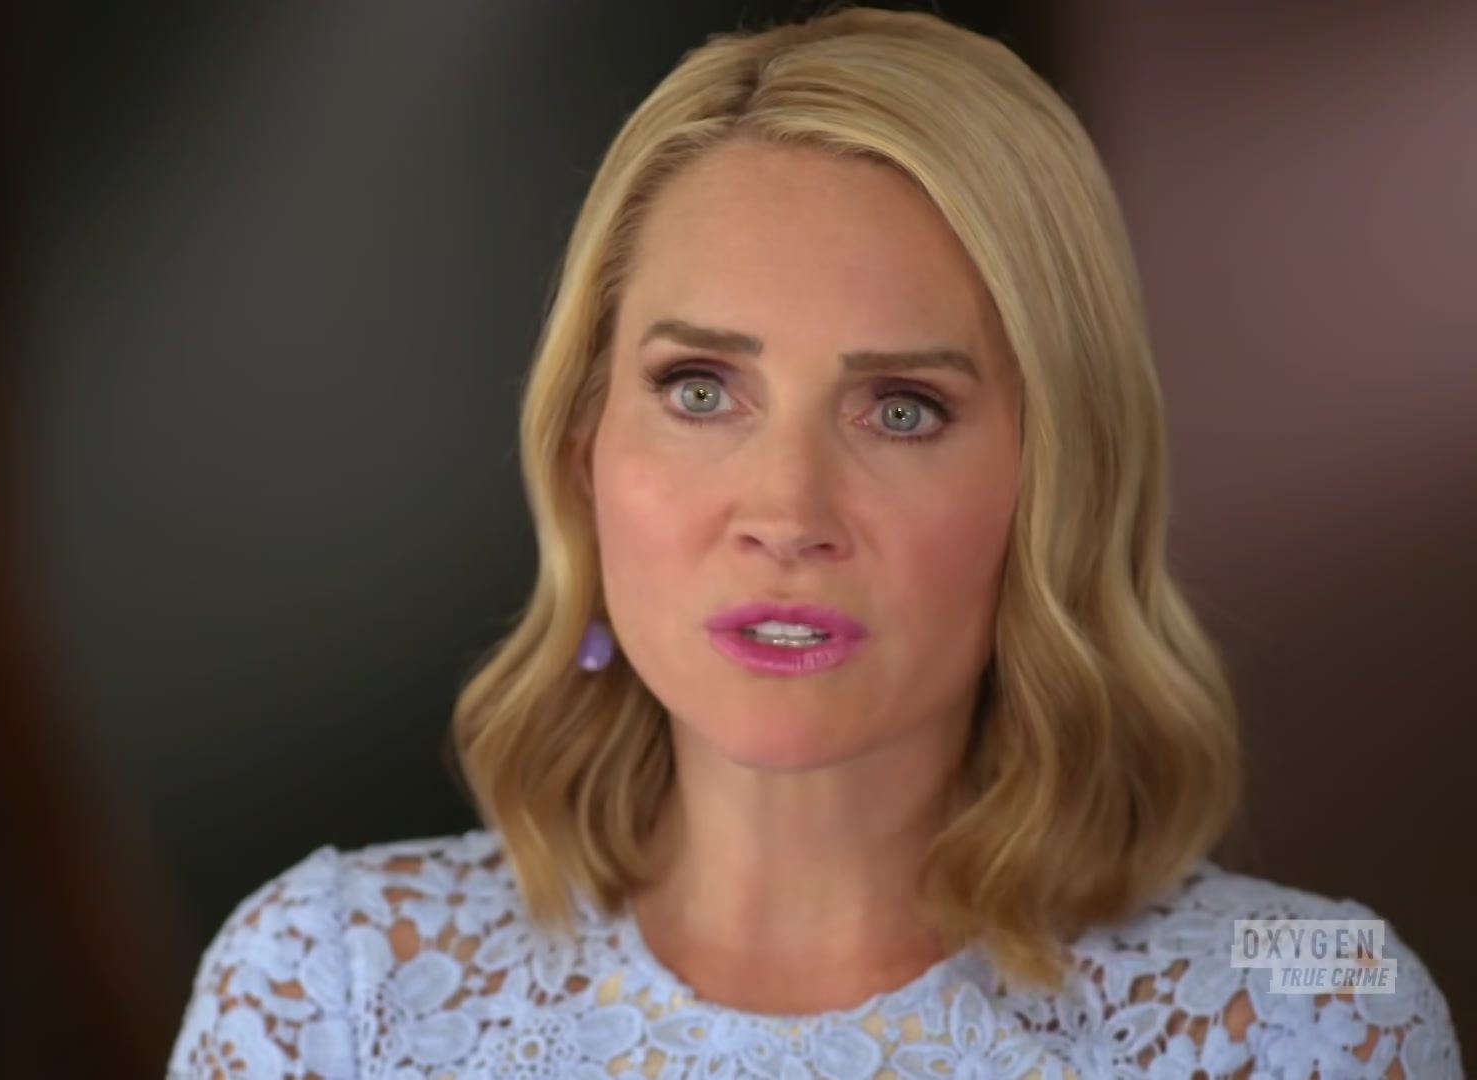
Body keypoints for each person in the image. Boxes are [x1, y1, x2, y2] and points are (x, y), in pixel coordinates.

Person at [167, 7, 1462, 1078]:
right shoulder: (325, 981)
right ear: (582, 450)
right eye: (699, 391)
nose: (787, 512)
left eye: (902, 410)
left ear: (1058, 481)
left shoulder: (1311, 996)